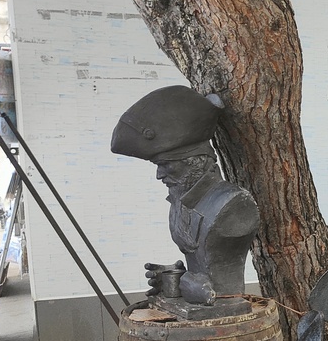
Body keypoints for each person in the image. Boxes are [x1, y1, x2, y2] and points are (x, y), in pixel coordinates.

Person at [111, 85, 259, 306]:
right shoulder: (180, 200)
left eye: (166, 165)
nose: (159, 175)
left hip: (224, 309)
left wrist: (188, 283)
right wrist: (177, 277)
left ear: (195, 162)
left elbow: (214, 285)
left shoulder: (233, 204)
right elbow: (202, 269)